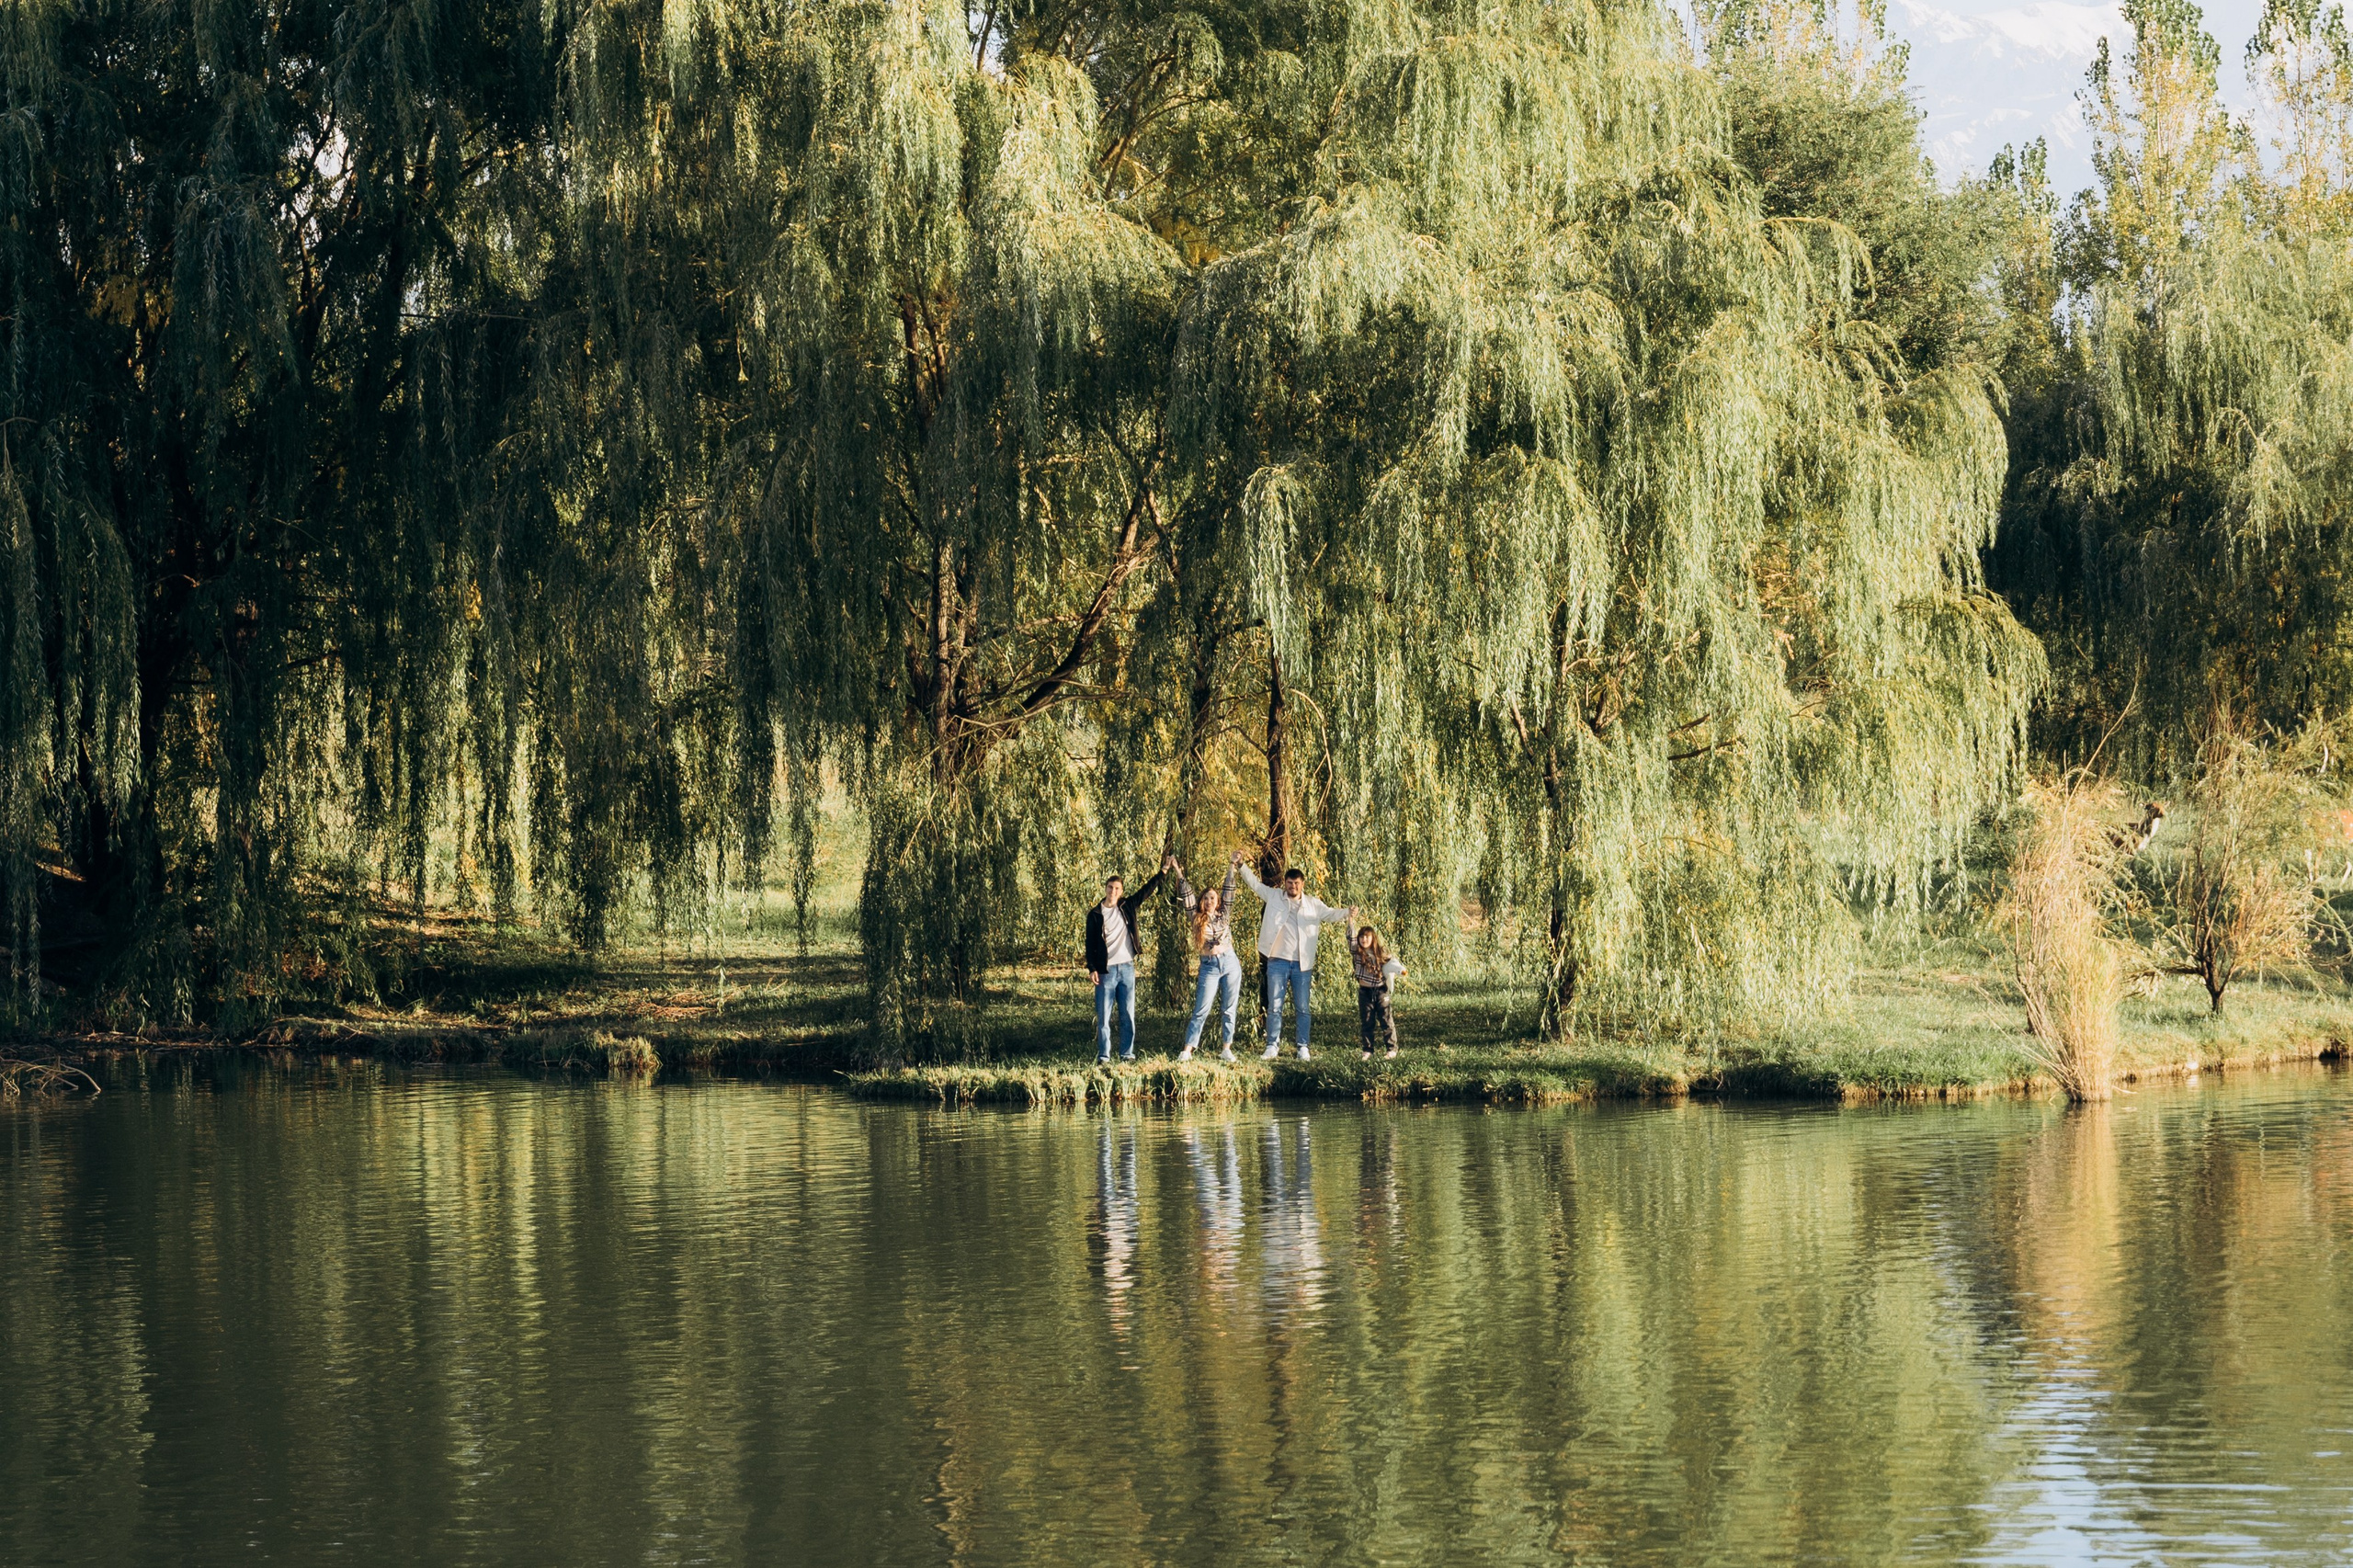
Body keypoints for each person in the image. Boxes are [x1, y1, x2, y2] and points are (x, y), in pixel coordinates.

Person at [1233, 852, 1355, 1061]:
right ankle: (1272, 1045)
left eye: (1296, 883)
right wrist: (1241, 865)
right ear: (1285, 883)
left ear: (1302, 884)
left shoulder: (1313, 904)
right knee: (1275, 1006)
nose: (1293, 887)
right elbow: (1254, 884)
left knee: (1303, 1007)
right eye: (1290, 883)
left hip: (1302, 964)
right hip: (1277, 961)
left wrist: (1347, 912)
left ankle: (1303, 1047)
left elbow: (1331, 914)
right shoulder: (1273, 896)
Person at [1085, 857, 1174, 1063]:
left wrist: (1164, 871)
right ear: (1105, 889)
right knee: (1104, 1017)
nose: (1113, 892)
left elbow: (1147, 890)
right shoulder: (1095, 914)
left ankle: (1127, 1054)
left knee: (1127, 1014)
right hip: (1105, 971)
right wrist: (1092, 968)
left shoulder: (1127, 906)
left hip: (1126, 968)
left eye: (1117, 888)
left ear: (1121, 891)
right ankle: (1104, 1057)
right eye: (1110, 887)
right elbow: (1089, 944)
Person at [1172, 859, 1242, 1062]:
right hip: (1209, 966)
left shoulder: (1224, 914)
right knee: (1202, 1008)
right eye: (1206, 898)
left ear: (1218, 901)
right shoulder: (1195, 917)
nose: (1209, 901)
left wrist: (1231, 866)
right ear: (1202, 901)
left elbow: (1229, 889)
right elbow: (1186, 895)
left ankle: (1226, 1048)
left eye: (1213, 898)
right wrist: (1178, 870)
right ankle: (1188, 1049)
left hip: (1229, 962)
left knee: (1229, 1008)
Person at [1350, 924, 1406, 1060]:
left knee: (1386, 1019)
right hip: (1365, 992)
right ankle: (1368, 1050)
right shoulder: (1357, 952)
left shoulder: (1381, 952)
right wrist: (1350, 919)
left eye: (1367, 937)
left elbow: (1393, 963)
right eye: (1361, 937)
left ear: (1373, 938)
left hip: (1380, 991)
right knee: (1367, 1021)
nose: (1364, 939)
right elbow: (1349, 937)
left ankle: (1391, 1049)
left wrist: (1401, 971)